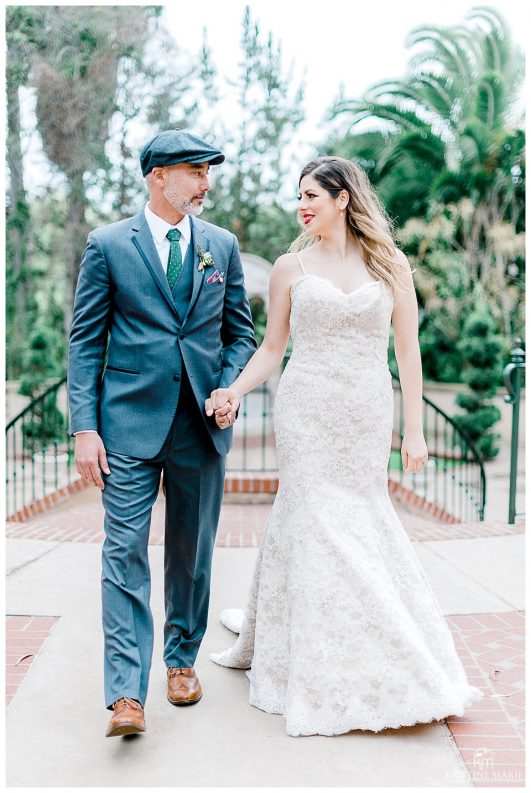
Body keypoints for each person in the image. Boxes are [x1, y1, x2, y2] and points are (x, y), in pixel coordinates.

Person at [207, 155, 484, 737]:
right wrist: (232, 388)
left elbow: (408, 354)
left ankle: (382, 638)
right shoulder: (289, 267)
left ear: (343, 199)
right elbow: (271, 349)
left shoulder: (391, 265)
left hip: (363, 413)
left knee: (360, 518)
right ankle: (312, 652)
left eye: (312, 195)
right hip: (306, 411)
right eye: (298, 196)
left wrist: (414, 430)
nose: (302, 206)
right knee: (314, 520)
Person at [67, 129, 256, 737]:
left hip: (200, 429)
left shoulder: (221, 246)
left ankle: (180, 661)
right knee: (122, 552)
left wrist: (227, 387)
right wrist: (84, 428)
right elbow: (85, 341)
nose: (205, 184)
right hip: (125, 426)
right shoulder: (106, 245)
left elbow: (240, 336)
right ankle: (125, 694)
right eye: (195, 172)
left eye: (207, 173)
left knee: (190, 555)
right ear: (158, 177)